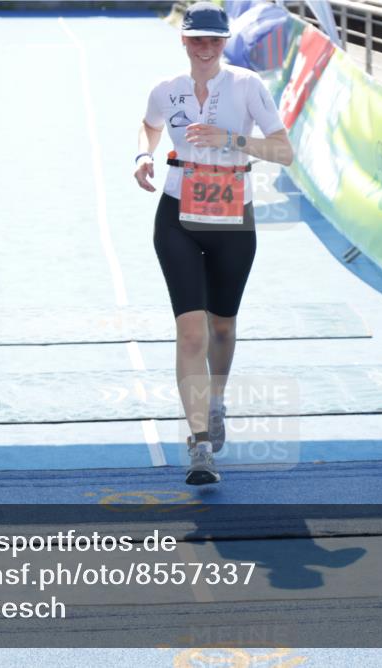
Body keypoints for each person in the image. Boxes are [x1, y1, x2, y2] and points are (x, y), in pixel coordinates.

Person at [134, 2, 293, 485]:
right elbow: (150, 124)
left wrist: (232, 140)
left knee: (221, 327)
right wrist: (143, 155)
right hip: (177, 217)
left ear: (225, 43)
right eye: (196, 39)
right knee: (190, 333)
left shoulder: (247, 86)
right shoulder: (166, 89)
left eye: (214, 40)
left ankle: (216, 401)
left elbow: (283, 151)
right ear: (183, 40)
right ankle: (200, 444)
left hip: (231, 219)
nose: (205, 49)